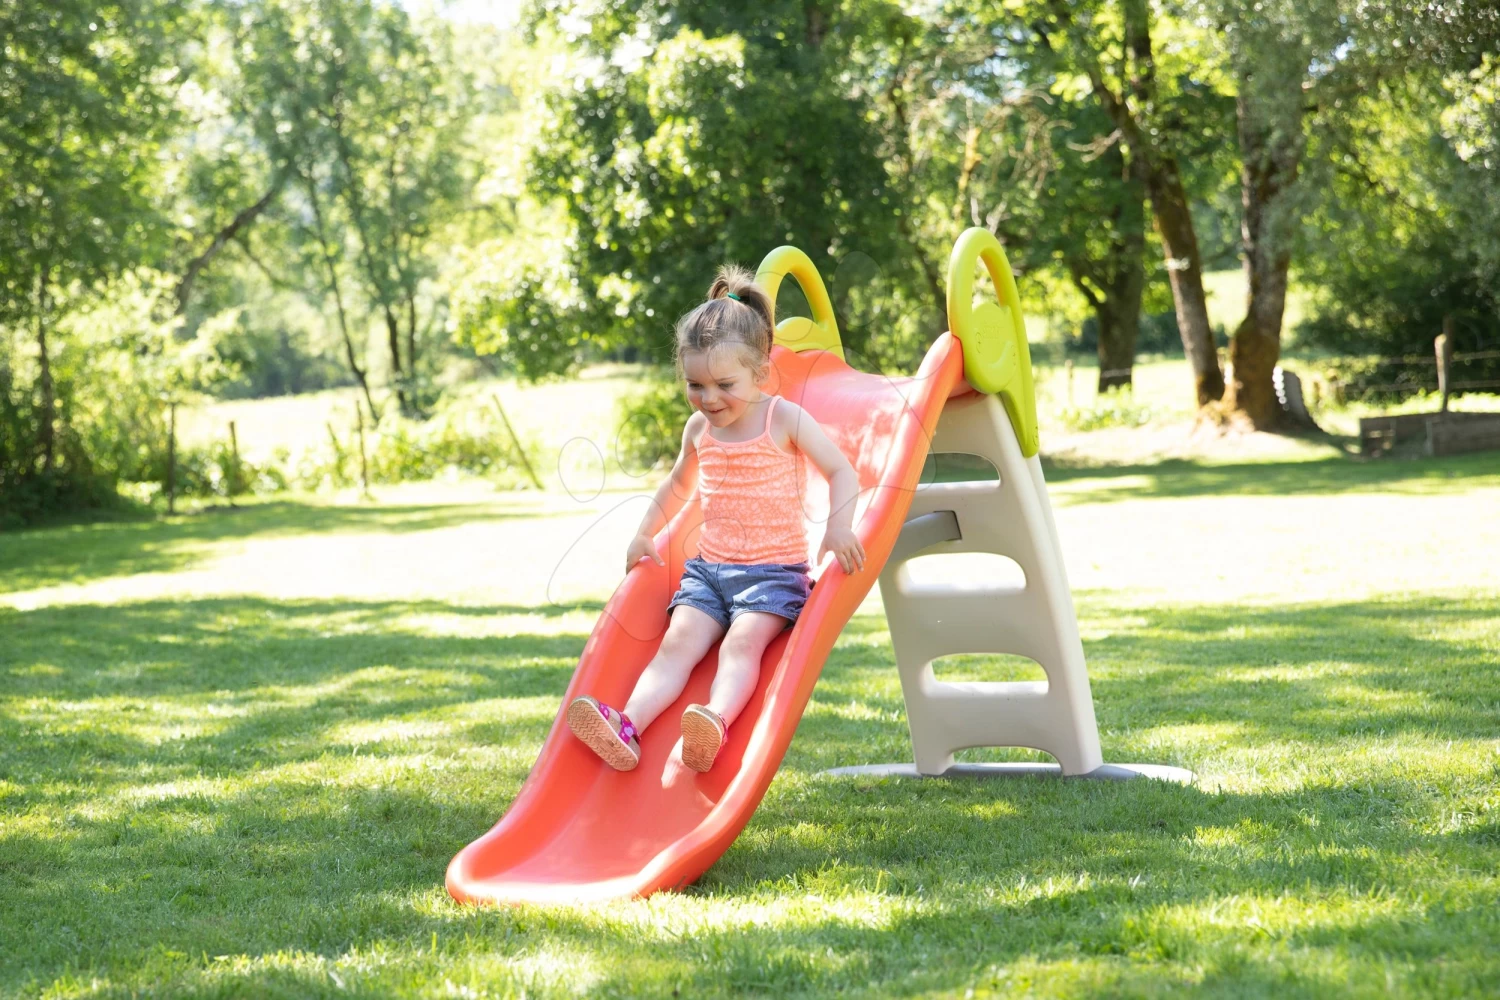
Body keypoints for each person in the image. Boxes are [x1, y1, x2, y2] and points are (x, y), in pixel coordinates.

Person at [566, 264, 866, 773]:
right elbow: (678, 485)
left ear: (760, 373)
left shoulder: (783, 419)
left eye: (724, 384)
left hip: (773, 575)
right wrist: (644, 532)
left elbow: (842, 470)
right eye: (695, 385)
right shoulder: (699, 429)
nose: (709, 398)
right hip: (709, 572)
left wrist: (839, 526)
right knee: (676, 643)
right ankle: (627, 726)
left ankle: (714, 720)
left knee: (743, 642)